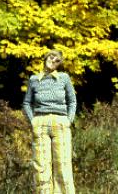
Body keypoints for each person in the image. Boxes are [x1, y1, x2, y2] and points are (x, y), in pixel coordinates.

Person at [23, 49, 77, 194]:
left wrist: (69, 120)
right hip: (40, 123)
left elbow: (72, 100)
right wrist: (33, 120)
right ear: (46, 58)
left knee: (63, 165)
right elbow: (27, 103)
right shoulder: (34, 80)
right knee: (41, 167)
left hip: (60, 123)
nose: (53, 60)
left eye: (57, 60)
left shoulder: (64, 78)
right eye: (52, 57)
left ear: (59, 63)